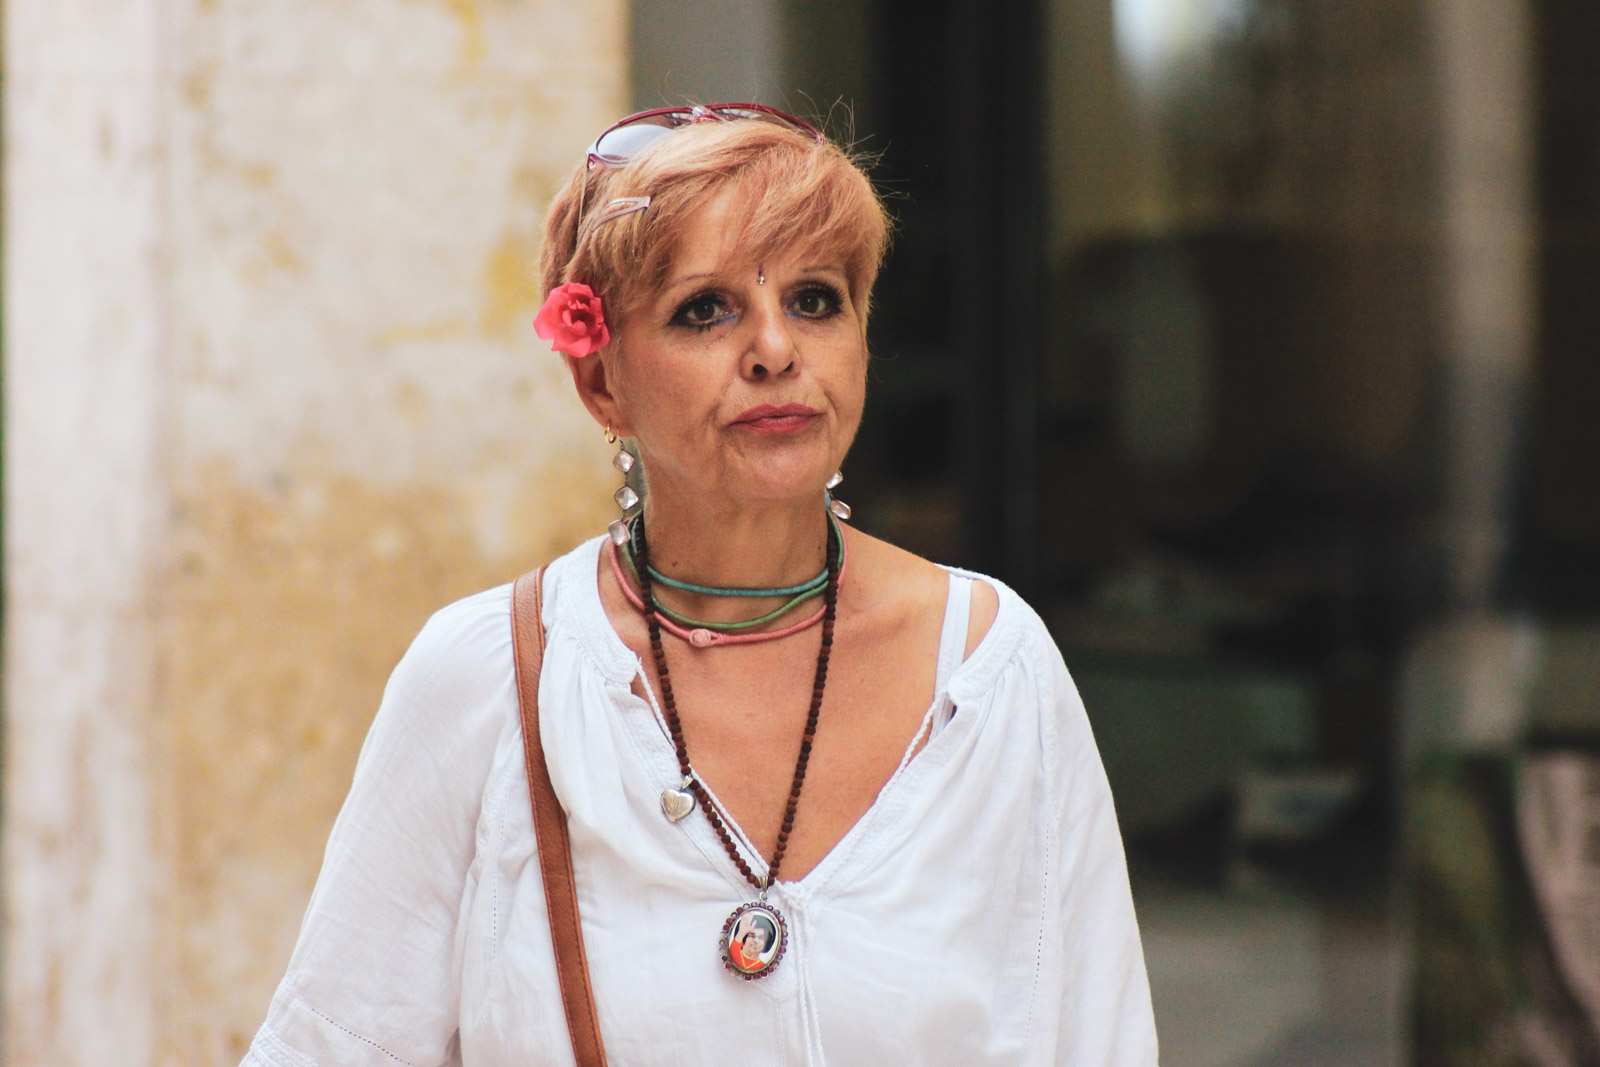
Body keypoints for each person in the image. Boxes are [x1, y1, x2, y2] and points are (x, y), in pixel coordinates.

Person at [242, 104, 1158, 1065]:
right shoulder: (488, 680)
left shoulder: (989, 671)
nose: (775, 349)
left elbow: (1101, 1041)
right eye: (705, 309)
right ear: (602, 384)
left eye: (815, 300)